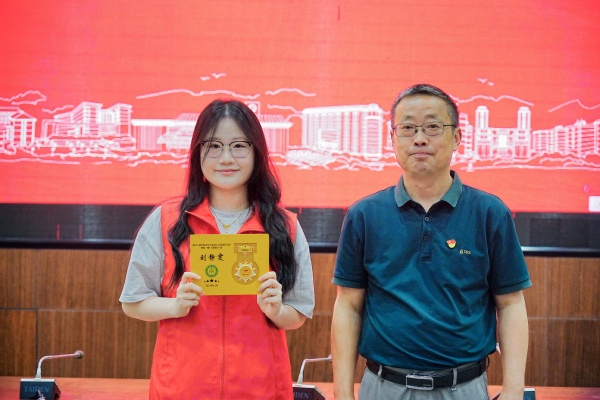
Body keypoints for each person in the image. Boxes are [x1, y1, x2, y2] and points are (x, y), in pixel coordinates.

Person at [331, 84, 531, 400]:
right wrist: (342, 393)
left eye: (433, 127)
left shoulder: (490, 213)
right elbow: (348, 306)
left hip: (464, 388)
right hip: (382, 388)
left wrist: (514, 390)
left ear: (458, 137)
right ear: (392, 138)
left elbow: (510, 304)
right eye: (407, 128)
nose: (419, 138)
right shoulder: (364, 214)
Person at [120, 99, 315, 399]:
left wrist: (276, 310)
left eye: (239, 146)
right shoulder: (167, 221)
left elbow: (298, 313)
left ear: (257, 152)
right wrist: (175, 306)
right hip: (183, 389)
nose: (226, 158)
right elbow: (133, 302)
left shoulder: (284, 226)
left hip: (261, 389)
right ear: (197, 153)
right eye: (213, 146)